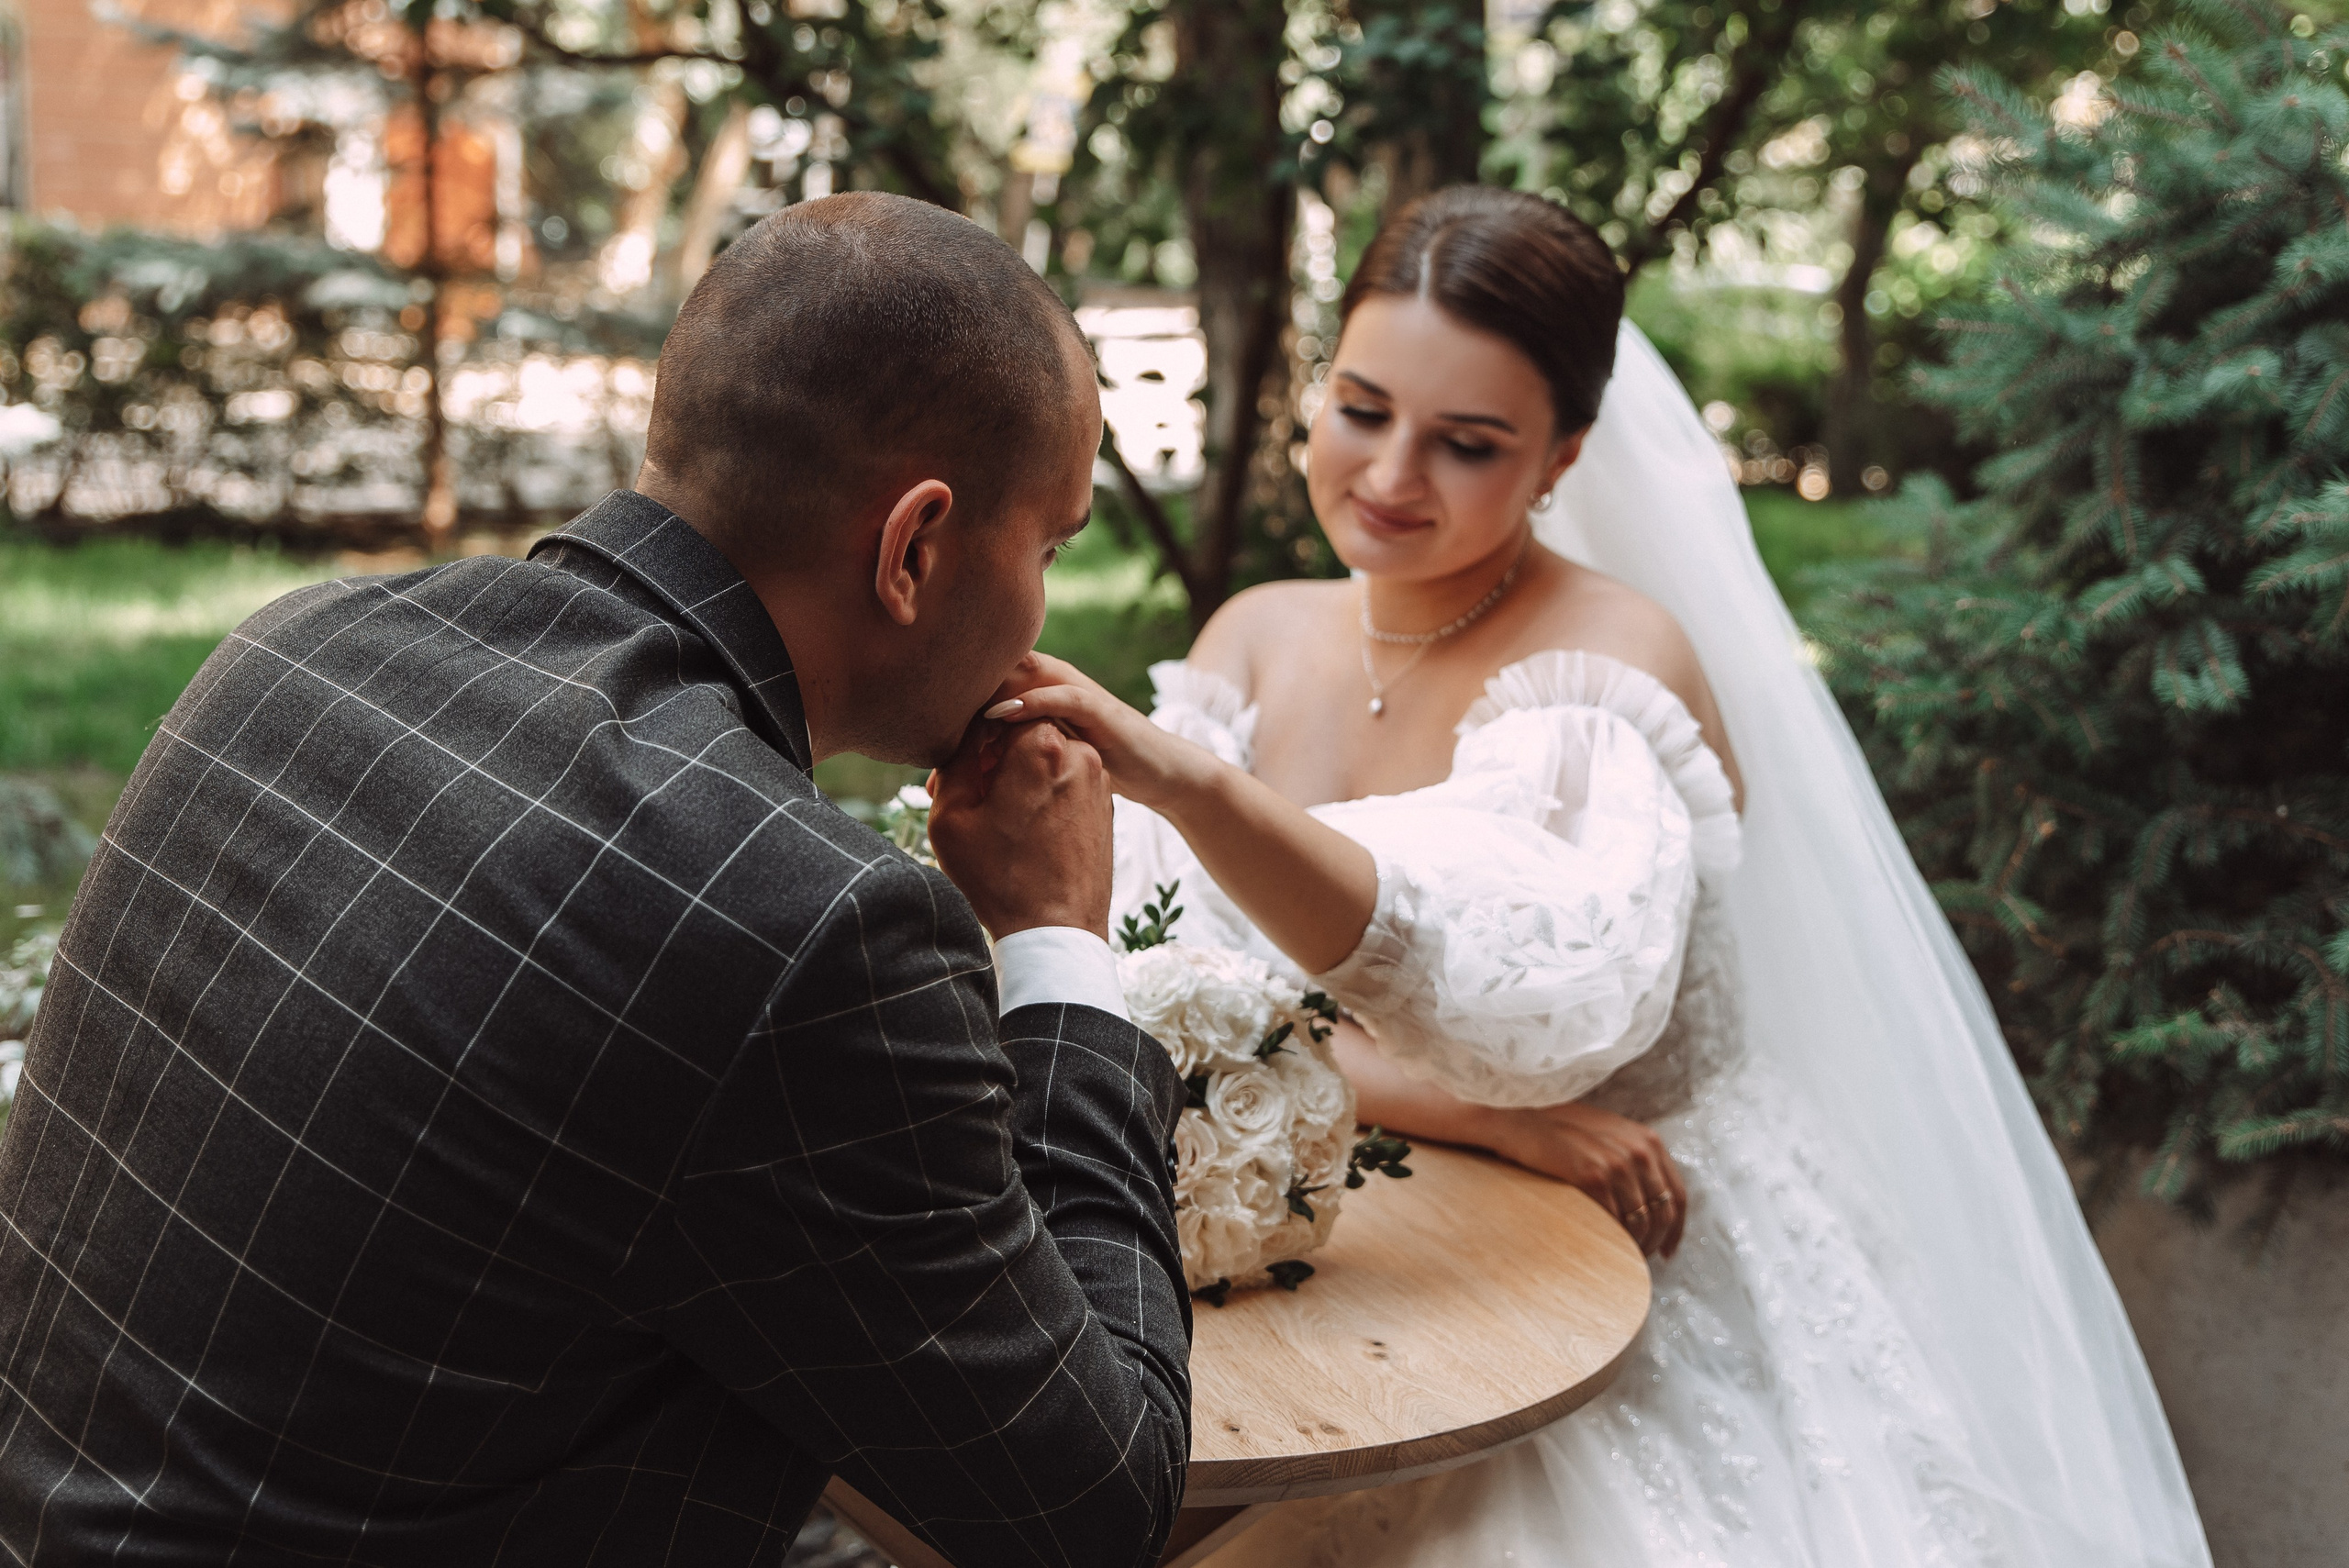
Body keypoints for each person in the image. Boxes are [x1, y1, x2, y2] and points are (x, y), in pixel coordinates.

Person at [986, 186, 2213, 1566]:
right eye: (1363, 407)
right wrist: (1487, 1123)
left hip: (1616, 1228)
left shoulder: (1609, 667)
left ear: (1564, 456)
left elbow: (1521, 1013)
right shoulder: (1256, 633)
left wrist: (1203, 797)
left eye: (1467, 443)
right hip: (1359, 1196)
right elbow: (1159, 975)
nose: (1391, 475)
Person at [0, 195, 1190, 1568]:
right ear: (915, 549)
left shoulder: (292, 649)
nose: (1043, 598)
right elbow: (1096, 1505)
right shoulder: (805, 928)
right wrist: (1054, 943)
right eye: (1048, 544)